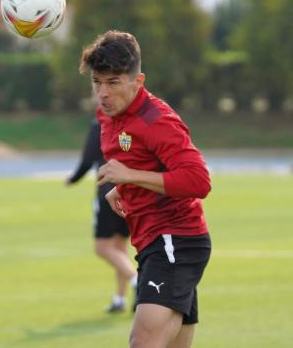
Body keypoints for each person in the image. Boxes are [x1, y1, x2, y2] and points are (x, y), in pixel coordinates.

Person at [80, 31, 212, 348]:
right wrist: (123, 187)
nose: (103, 92)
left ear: (138, 80)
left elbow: (198, 181)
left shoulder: (157, 120)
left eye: (113, 82)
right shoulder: (108, 114)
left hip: (175, 241)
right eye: (97, 82)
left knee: (143, 343)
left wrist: (130, 175)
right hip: (153, 241)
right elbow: (136, 160)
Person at [66, 118, 138, 313]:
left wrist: (73, 178)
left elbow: (88, 158)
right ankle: (119, 299)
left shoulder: (100, 123)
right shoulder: (132, 121)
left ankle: (137, 281)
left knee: (102, 248)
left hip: (108, 193)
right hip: (130, 193)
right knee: (120, 247)